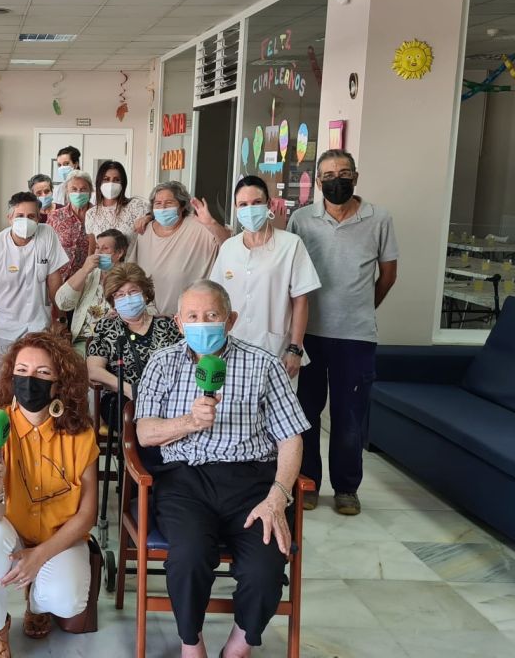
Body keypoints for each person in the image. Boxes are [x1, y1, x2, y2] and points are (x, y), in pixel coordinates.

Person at [134, 280, 309, 658]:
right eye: (193, 316)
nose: (202, 323)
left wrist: (278, 496)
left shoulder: (263, 364)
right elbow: (145, 433)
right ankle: (191, 643)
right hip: (185, 480)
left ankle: (238, 645)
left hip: (252, 482)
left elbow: (291, 438)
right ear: (179, 322)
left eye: (211, 315)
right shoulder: (162, 362)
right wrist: (189, 422)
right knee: (188, 556)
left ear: (230, 320)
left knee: (265, 568)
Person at [0, 331, 99, 657]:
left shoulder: (80, 432)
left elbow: (87, 515)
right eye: (22, 371)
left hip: (58, 539)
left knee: (68, 601)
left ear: (59, 383)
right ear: (11, 376)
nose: (29, 380)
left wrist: (39, 556)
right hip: (8, 533)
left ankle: (36, 603)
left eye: (42, 373)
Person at [287, 149, 398, 515]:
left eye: (345, 173)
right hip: (309, 334)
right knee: (305, 413)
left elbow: (388, 275)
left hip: (357, 337)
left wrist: (362, 307)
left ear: (356, 176)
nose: (338, 180)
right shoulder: (302, 220)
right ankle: (307, 483)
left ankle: (347, 488)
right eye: (330, 175)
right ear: (319, 182)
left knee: (350, 416)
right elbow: (290, 274)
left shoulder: (378, 218)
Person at [210, 177, 321, 378]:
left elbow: (301, 300)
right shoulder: (229, 248)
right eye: (243, 204)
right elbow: (216, 298)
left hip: (276, 349)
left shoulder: (290, 244)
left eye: (256, 202)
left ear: (269, 204)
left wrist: (295, 348)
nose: (250, 209)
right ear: (236, 208)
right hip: (232, 346)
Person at [0, 192, 68, 362]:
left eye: (31, 216)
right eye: (20, 216)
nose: (26, 221)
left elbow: (54, 279)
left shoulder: (47, 235)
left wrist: (60, 317)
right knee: (5, 374)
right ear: (10, 218)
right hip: (4, 328)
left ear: (39, 218)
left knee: (37, 370)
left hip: (38, 325)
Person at [86, 264, 182, 402]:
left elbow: (188, 359)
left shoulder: (167, 324)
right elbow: (94, 371)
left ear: (145, 294)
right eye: (120, 295)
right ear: (113, 302)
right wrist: (130, 390)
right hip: (125, 400)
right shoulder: (106, 327)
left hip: (169, 397)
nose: (127, 298)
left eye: (133, 291)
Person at [135, 181, 226, 316]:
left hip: (191, 316)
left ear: (182, 206)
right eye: (158, 203)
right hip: (151, 317)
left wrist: (211, 224)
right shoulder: (144, 231)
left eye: (169, 203)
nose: (163, 208)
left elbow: (228, 243)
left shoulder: (199, 227)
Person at [54, 229, 127, 354]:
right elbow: (62, 303)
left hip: (116, 343)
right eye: (97, 247)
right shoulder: (89, 274)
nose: (98, 252)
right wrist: (84, 271)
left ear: (119, 253)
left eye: (105, 248)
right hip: (84, 342)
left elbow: (146, 309)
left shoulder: (130, 276)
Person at [84, 160, 150, 258]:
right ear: (99, 182)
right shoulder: (91, 214)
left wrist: (148, 217)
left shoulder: (136, 206)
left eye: (116, 180)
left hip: (131, 266)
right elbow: (92, 249)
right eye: (106, 179)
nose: (111, 184)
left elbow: (157, 214)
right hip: (103, 267)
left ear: (123, 183)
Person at [47, 170, 94, 282]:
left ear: (90, 191)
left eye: (83, 189)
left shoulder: (98, 215)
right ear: (67, 191)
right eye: (74, 189)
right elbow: (47, 247)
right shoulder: (55, 216)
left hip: (88, 279)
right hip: (58, 279)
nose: (78, 193)